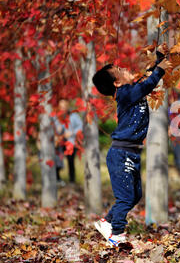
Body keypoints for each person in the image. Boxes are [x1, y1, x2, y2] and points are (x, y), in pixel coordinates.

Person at [91, 44, 171, 247]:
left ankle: (106, 222)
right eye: (121, 71)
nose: (127, 70)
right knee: (126, 197)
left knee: (135, 195)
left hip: (130, 152)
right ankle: (116, 234)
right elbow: (147, 85)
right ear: (117, 83)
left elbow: (145, 81)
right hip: (121, 154)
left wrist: (159, 58)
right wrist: (160, 69)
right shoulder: (126, 94)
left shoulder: (130, 91)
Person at [53, 99, 83, 186]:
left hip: (71, 142)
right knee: (57, 160)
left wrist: (72, 133)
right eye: (61, 107)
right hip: (59, 143)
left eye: (64, 107)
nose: (62, 108)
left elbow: (80, 127)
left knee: (71, 161)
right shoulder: (56, 117)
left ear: (67, 106)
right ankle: (57, 179)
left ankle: (72, 181)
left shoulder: (74, 116)